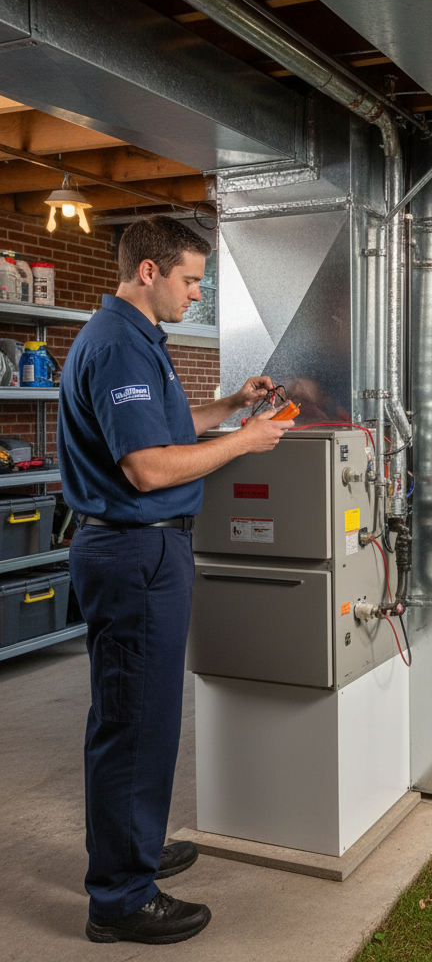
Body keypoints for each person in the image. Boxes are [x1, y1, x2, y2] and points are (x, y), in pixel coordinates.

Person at [57, 217, 295, 944]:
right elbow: (149, 467)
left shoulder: (132, 342)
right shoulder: (121, 344)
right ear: (150, 273)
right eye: (192, 279)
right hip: (136, 553)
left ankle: (133, 847)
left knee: (140, 717)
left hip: (142, 552)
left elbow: (159, 426)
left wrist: (228, 409)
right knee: (135, 722)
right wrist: (245, 443)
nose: (198, 294)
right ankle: (121, 899)